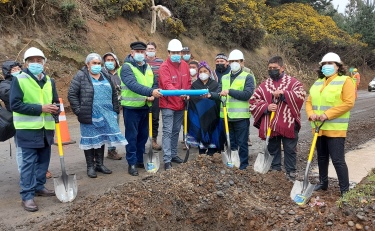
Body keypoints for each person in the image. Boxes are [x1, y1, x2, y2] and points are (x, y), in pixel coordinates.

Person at [10, 47, 59, 212]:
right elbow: (15, 104)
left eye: (39, 61)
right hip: (28, 129)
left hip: (46, 128)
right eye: (32, 61)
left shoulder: (49, 81)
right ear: (26, 63)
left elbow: (55, 102)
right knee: (29, 163)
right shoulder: (19, 79)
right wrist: (41, 108)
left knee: (44, 161)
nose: (36, 63)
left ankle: (39, 186)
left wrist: (55, 109)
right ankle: (27, 195)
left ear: (44, 63)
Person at [68, 53, 127, 178]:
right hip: (89, 114)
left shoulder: (106, 75)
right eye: (94, 63)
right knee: (90, 140)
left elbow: (113, 94)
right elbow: (72, 94)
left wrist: (115, 109)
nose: (97, 65)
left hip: (106, 114)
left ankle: (100, 164)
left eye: (99, 63)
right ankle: (90, 166)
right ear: (87, 64)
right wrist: (79, 111)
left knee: (101, 139)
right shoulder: (81, 76)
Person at [306, 52, 355, 196]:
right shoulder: (318, 82)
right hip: (318, 128)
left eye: (330, 64)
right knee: (321, 157)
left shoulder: (345, 81)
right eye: (324, 64)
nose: (326, 66)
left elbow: (348, 103)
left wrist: (327, 115)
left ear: (338, 66)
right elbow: (309, 101)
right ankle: (323, 183)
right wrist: (311, 114)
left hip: (335, 128)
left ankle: (345, 190)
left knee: (338, 160)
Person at [250, 56, 306, 181]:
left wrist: (284, 94)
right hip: (271, 124)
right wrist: (266, 107)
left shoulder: (293, 83)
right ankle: (276, 170)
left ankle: (290, 172)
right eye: (269, 68)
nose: (272, 70)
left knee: (290, 149)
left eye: (275, 68)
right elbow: (253, 101)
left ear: (282, 68)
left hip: (288, 123)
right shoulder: (264, 85)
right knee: (273, 148)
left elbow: (301, 95)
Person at [207, 49, 255, 170]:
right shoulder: (225, 78)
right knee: (230, 143)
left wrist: (229, 91)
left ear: (242, 62)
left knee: (242, 143)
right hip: (226, 116)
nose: (234, 63)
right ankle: (233, 163)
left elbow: (246, 94)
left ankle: (243, 166)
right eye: (232, 61)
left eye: (236, 61)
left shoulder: (248, 77)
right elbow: (219, 93)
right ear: (228, 62)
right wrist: (210, 95)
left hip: (241, 117)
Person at [120, 41, 162, 176]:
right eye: (137, 52)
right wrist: (150, 92)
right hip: (131, 108)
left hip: (145, 106)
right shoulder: (126, 67)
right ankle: (131, 163)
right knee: (132, 136)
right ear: (132, 53)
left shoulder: (148, 67)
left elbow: (154, 83)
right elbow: (132, 84)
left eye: (142, 52)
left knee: (143, 136)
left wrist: (152, 93)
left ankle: (139, 160)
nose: (140, 54)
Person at [159, 39, 191, 170]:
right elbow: (167, 84)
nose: (176, 54)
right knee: (167, 131)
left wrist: (187, 93)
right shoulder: (164, 67)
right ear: (168, 53)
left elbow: (188, 82)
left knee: (176, 131)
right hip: (167, 104)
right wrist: (180, 92)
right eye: (174, 52)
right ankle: (167, 160)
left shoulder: (184, 65)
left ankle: (173, 154)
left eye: (178, 52)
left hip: (180, 104)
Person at [187, 61, 222, 155]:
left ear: (209, 72)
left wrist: (209, 97)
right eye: (201, 71)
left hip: (212, 114)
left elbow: (217, 97)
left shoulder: (215, 84)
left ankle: (211, 153)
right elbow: (192, 99)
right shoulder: (195, 85)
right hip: (199, 114)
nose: (203, 73)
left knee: (212, 134)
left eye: (205, 71)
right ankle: (201, 154)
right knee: (200, 134)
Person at [1, 61, 23, 172]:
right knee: (21, 148)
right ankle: (24, 173)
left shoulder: (26, 80)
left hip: (32, 118)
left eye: (18, 68)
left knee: (37, 147)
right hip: (17, 121)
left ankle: (39, 170)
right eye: (13, 70)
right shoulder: (4, 85)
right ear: (8, 72)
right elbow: (10, 95)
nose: (17, 71)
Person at [102, 52, 123, 160]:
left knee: (114, 128)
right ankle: (97, 153)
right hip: (104, 106)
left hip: (116, 106)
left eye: (112, 60)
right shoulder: (102, 73)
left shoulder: (120, 73)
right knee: (101, 129)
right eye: (107, 60)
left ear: (116, 62)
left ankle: (111, 150)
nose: (109, 62)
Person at [145, 42, 164, 151]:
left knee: (155, 118)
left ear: (155, 50)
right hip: (144, 92)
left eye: (152, 49)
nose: (150, 51)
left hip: (157, 93)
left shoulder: (161, 62)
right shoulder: (142, 62)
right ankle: (142, 141)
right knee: (144, 118)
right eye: (149, 49)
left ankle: (153, 140)